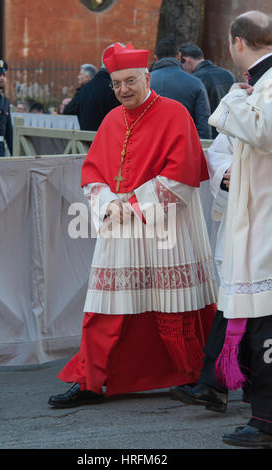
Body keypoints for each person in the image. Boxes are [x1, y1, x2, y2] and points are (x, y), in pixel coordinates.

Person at [48, 43, 217, 409]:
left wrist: (137, 205)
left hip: (165, 228)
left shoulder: (174, 114)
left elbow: (183, 176)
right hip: (120, 227)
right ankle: (91, 381)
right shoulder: (111, 120)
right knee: (104, 305)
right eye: (117, 84)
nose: (124, 89)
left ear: (147, 77)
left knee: (173, 303)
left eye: (130, 81)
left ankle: (193, 376)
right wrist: (109, 203)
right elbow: (93, 173)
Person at [172, 10, 272, 448]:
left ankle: (266, 422)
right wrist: (228, 172)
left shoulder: (259, 85)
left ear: (236, 42)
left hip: (265, 221)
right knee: (252, 318)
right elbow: (226, 150)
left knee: (264, 322)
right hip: (252, 215)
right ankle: (258, 414)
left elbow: (263, 130)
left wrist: (232, 98)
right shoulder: (258, 83)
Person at [150, 38, 211, 139]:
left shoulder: (143, 83)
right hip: (183, 145)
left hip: (150, 146)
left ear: (156, 58)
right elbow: (203, 125)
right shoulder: (195, 83)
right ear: (178, 56)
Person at [179, 44, 237, 138]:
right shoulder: (229, 75)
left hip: (208, 136)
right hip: (229, 135)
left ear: (186, 60)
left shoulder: (195, 80)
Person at [63, 46, 120, 130]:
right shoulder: (116, 87)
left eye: (80, 75)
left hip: (87, 141)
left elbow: (68, 110)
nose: (78, 77)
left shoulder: (84, 89)